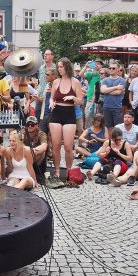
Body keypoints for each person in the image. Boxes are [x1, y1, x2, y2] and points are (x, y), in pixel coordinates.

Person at [46, 57, 84, 186]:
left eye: (61, 66)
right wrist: (51, 102)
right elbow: (51, 98)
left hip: (69, 114)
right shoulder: (56, 82)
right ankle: (57, 171)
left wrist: (73, 97)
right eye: (58, 67)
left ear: (67, 67)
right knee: (56, 145)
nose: (59, 69)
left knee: (68, 146)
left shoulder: (75, 82)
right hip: (56, 113)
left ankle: (69, 171)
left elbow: (81, 101)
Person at [100, 61, 126, 134]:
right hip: (106, 106)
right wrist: (116, 87)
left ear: (118, 69)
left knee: (117, 127)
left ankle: (116, 143)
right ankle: (110, 142)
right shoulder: (105, 80)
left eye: (113, 68)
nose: (111, 69)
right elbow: (103, 90)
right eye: (110, 68)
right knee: (108, 127)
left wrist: (107, 90)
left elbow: (118, 92)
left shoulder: (122, 80)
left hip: (117, 107)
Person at [21, 115, 48, 183]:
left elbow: (44, 146)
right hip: (24, 157)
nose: (30, 126)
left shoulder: (41, 134)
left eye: (32, 124)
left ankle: (36, 173)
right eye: (28, 124)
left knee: (42, 153)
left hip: (36, 157)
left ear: (36, 125)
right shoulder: (22, 133)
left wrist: (32, 151)